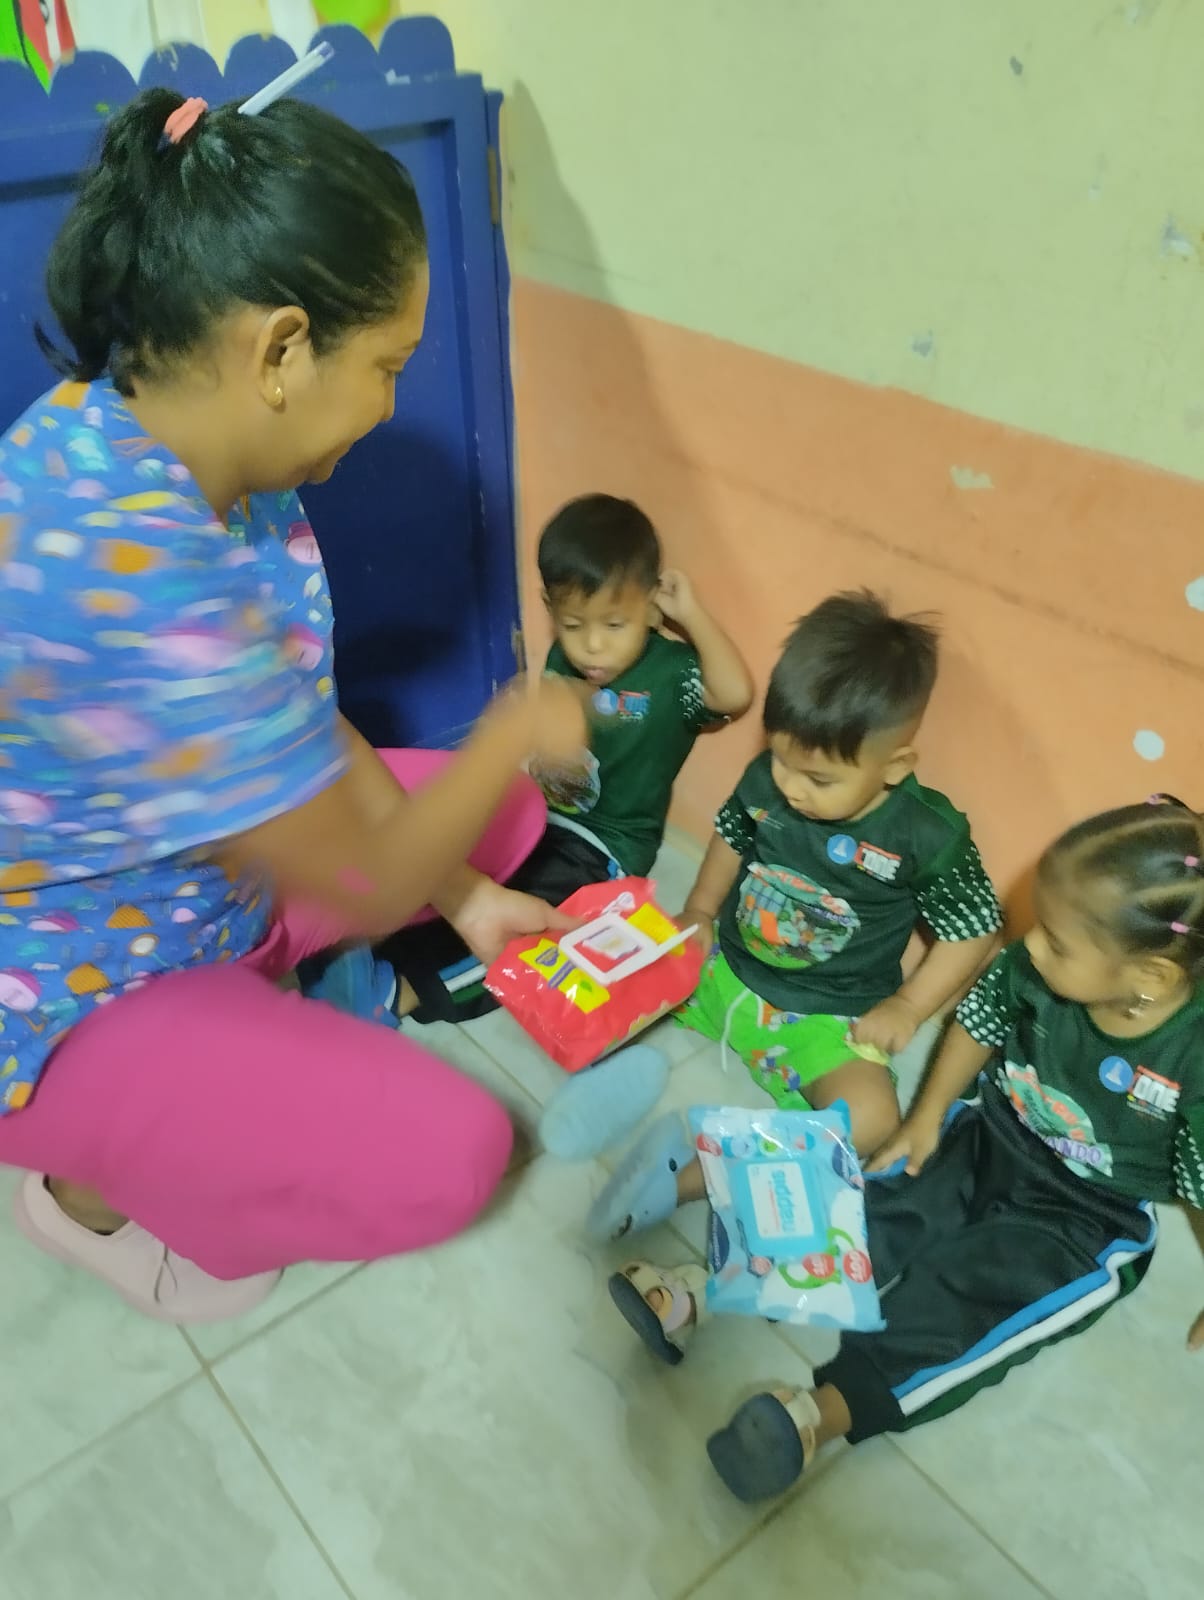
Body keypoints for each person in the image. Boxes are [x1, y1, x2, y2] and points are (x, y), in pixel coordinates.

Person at [0, 87, 587, 1324]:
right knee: (452, 1153)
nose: (389, 405)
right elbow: (366, 881)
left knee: (505, 828)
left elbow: (296, 716)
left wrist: (468, 896)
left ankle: (259, 1007)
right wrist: (513, 728)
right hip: (70, 985)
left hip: (200, 881)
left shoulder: (167, 442)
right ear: (279, 351)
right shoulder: (131, 567)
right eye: (386, 367)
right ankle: (86, 1191)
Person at [604, 796, 1204, 1501]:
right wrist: (925, 1120)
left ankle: (814, 1419)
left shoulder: (1191, 1054)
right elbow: (979, 1023)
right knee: (865, 1206)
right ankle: (700, 1290)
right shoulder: (1033, 967)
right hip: (990, 1133)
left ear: (1150, 978)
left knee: (968, 1303)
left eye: (1059, 942)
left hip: (1088, 1216)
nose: (1031, 945)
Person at [586, 590, 1002, 1243]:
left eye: (819, 779)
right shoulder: (769, 779)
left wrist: (909, 1007)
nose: (789, 786)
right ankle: (589, 1095)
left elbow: (974, 929)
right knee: (606, 976)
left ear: (894, 768)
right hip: (722, 970)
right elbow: (732, 833)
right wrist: (698, 909)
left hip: (826, 1018)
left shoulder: (926, 834)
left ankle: (700, 1173)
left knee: (871, 1122)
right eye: (780, 758)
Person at [383, 493, 753, 1024]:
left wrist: (690, 614)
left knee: (530, 923)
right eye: (574, 625)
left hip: (604, 846)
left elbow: (735, 693)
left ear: (651, 607)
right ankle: (384, 943)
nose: (592, 647)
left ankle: (406, 992)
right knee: (462, 867)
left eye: (614, 626)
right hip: (538, 815)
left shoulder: (671, 673)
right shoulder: (562, 655)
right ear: (551, 607)